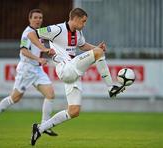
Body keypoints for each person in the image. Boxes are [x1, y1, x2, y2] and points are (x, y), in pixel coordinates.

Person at [28, 8, 125, 145]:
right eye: (83, 21)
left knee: (73, 111)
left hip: (72, 71)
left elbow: (83, 45)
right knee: (97, 53)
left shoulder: (78, 32)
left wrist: (97, 49)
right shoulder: (57, 29)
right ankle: (110, 87)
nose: (84, 24)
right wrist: (43, 49)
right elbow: (32, 34)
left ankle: (40, 128)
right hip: (65, 68)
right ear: (75, 18)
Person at [0, 9, 58, 136]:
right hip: (27, 69)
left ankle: (44, 125)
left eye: (40, 18)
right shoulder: (27, 33)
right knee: (15, 98)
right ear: (29, 19)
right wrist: (38, 59)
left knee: (50, 94)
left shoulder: (38, 33)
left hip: (37, 69)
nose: (38, 20)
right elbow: (23, 51)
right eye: (35, 17)